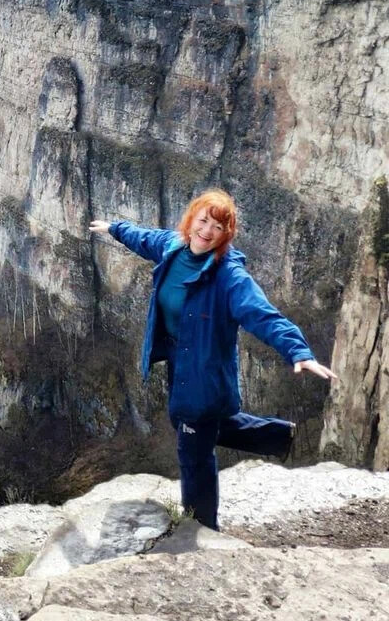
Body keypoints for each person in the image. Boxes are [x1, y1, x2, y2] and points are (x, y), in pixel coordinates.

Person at [88, 189, 336, 531]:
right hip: (180, 357)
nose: (207, 231)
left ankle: (201, 528)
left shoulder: (229, 277)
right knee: (190, 424)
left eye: (217, 227)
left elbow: (263, 315)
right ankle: (277, 437)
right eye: (203, 221)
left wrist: (298, 351)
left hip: (204, 368)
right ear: (190, 222)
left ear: (225, 235)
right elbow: (144, 238)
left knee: (193, 452)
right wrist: (114, 228)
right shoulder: (173, 246)